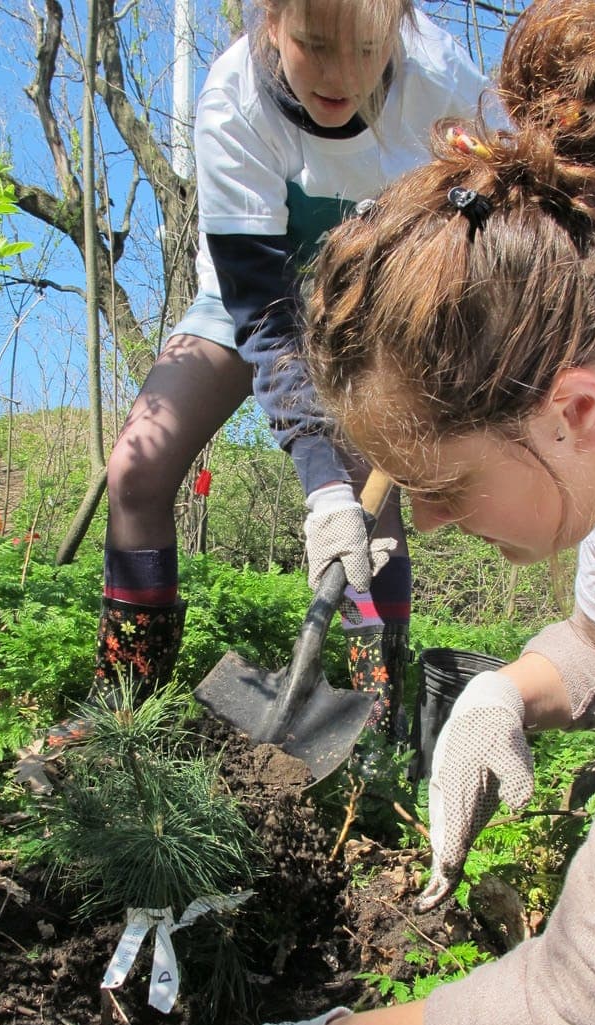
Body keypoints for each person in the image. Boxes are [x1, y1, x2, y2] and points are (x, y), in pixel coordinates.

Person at [95, 1, 595, 1025]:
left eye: (445, 483)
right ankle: (127, 709)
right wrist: (508, 699)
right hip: (297, 310)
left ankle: (363, 725)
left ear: (571, 408)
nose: (415, 517)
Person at [47, 0, 485, 749]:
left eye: (367, 50)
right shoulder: (233, 102)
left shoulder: (442, 79)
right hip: (252, 300)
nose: (342, 77)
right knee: (136, 471)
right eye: (315, 46)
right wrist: (319, 485)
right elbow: (264, 315)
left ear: (400, 33)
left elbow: (501, 200)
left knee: (369, 515)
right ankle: (125, 714)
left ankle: (371, 732)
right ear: (271, 22)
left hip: (372, 310)